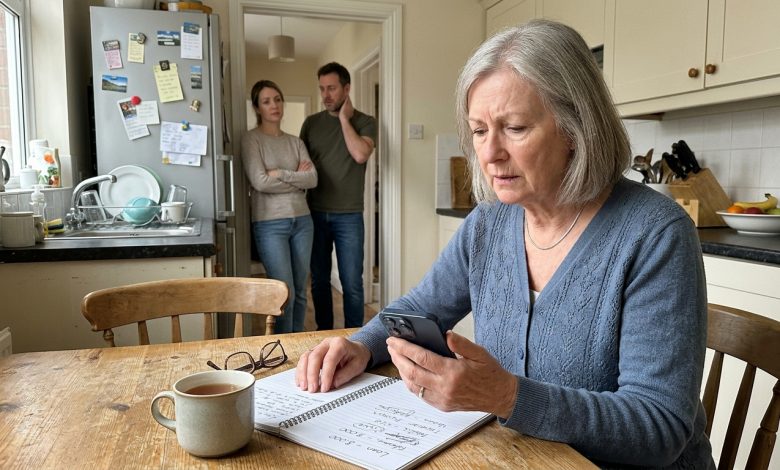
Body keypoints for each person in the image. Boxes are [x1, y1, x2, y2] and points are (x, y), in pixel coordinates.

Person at [296, 20, 715, 469]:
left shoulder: (655, 234)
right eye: (479, 131)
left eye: (514, 127)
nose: (489, 152)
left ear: (577, 128)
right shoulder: (489, 223)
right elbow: (423, 307)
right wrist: (362, 345)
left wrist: (507, 395)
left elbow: (660, 428)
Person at [300, 62, 377, 330]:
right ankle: (323, 335)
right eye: (322, 89)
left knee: (352, 283)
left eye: (331, 88)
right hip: (315, 213)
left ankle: (356, 338)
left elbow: (360, 154)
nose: (326, 95)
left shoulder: (366, 122)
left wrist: (344, 119)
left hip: (349, 216)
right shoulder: (311, 124)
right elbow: (302, 165)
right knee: (320, 280)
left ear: (347, 88)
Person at [241, 80, 317, 334]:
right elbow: (260, 182)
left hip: (303, 222)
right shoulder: (252, 140)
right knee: (285, 292)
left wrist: (281, 174)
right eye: (266, 101)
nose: (274, 105)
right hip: (270, 224)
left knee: (301, 292)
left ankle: (298, 345)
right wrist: (296, 179)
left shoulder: (295, 142)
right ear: (257, 108)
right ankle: (284, 349)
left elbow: (313, 179)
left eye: (277, 99)